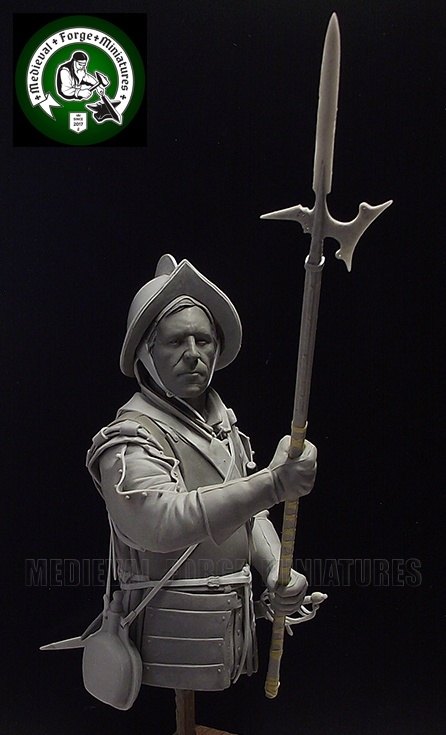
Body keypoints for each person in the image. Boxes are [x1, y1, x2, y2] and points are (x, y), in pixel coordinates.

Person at [86, 254, 318, 693]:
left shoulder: (223, 424)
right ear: (147, 352)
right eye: (176, 341)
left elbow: (250, 517)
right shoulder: (128, 438)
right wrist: (271, 483)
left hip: (230, 627)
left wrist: (274, 569)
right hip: (168, 631)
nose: (193, 354)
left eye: (204, 340)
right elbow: (159, 524)